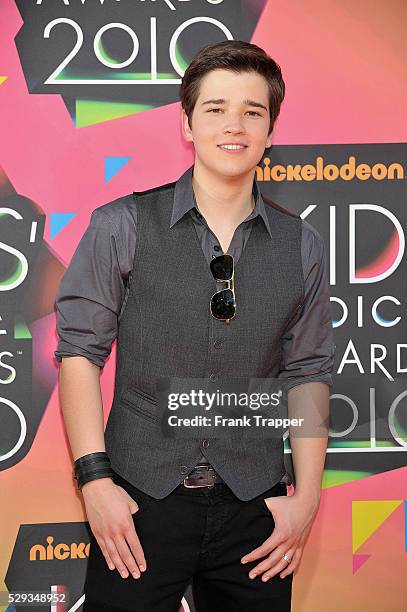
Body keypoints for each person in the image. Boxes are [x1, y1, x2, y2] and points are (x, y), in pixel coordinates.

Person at [54, 40, 335, 612]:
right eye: (215, 108)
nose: (234, 125)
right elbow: (80, 353)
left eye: (252, 112)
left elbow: (308, 373)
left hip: (255, 510)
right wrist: (95, 482)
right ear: (186, 123)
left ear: (270, 131)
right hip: (136, 502)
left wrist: (305, 498)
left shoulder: (301, 245)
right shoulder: (121, 225)